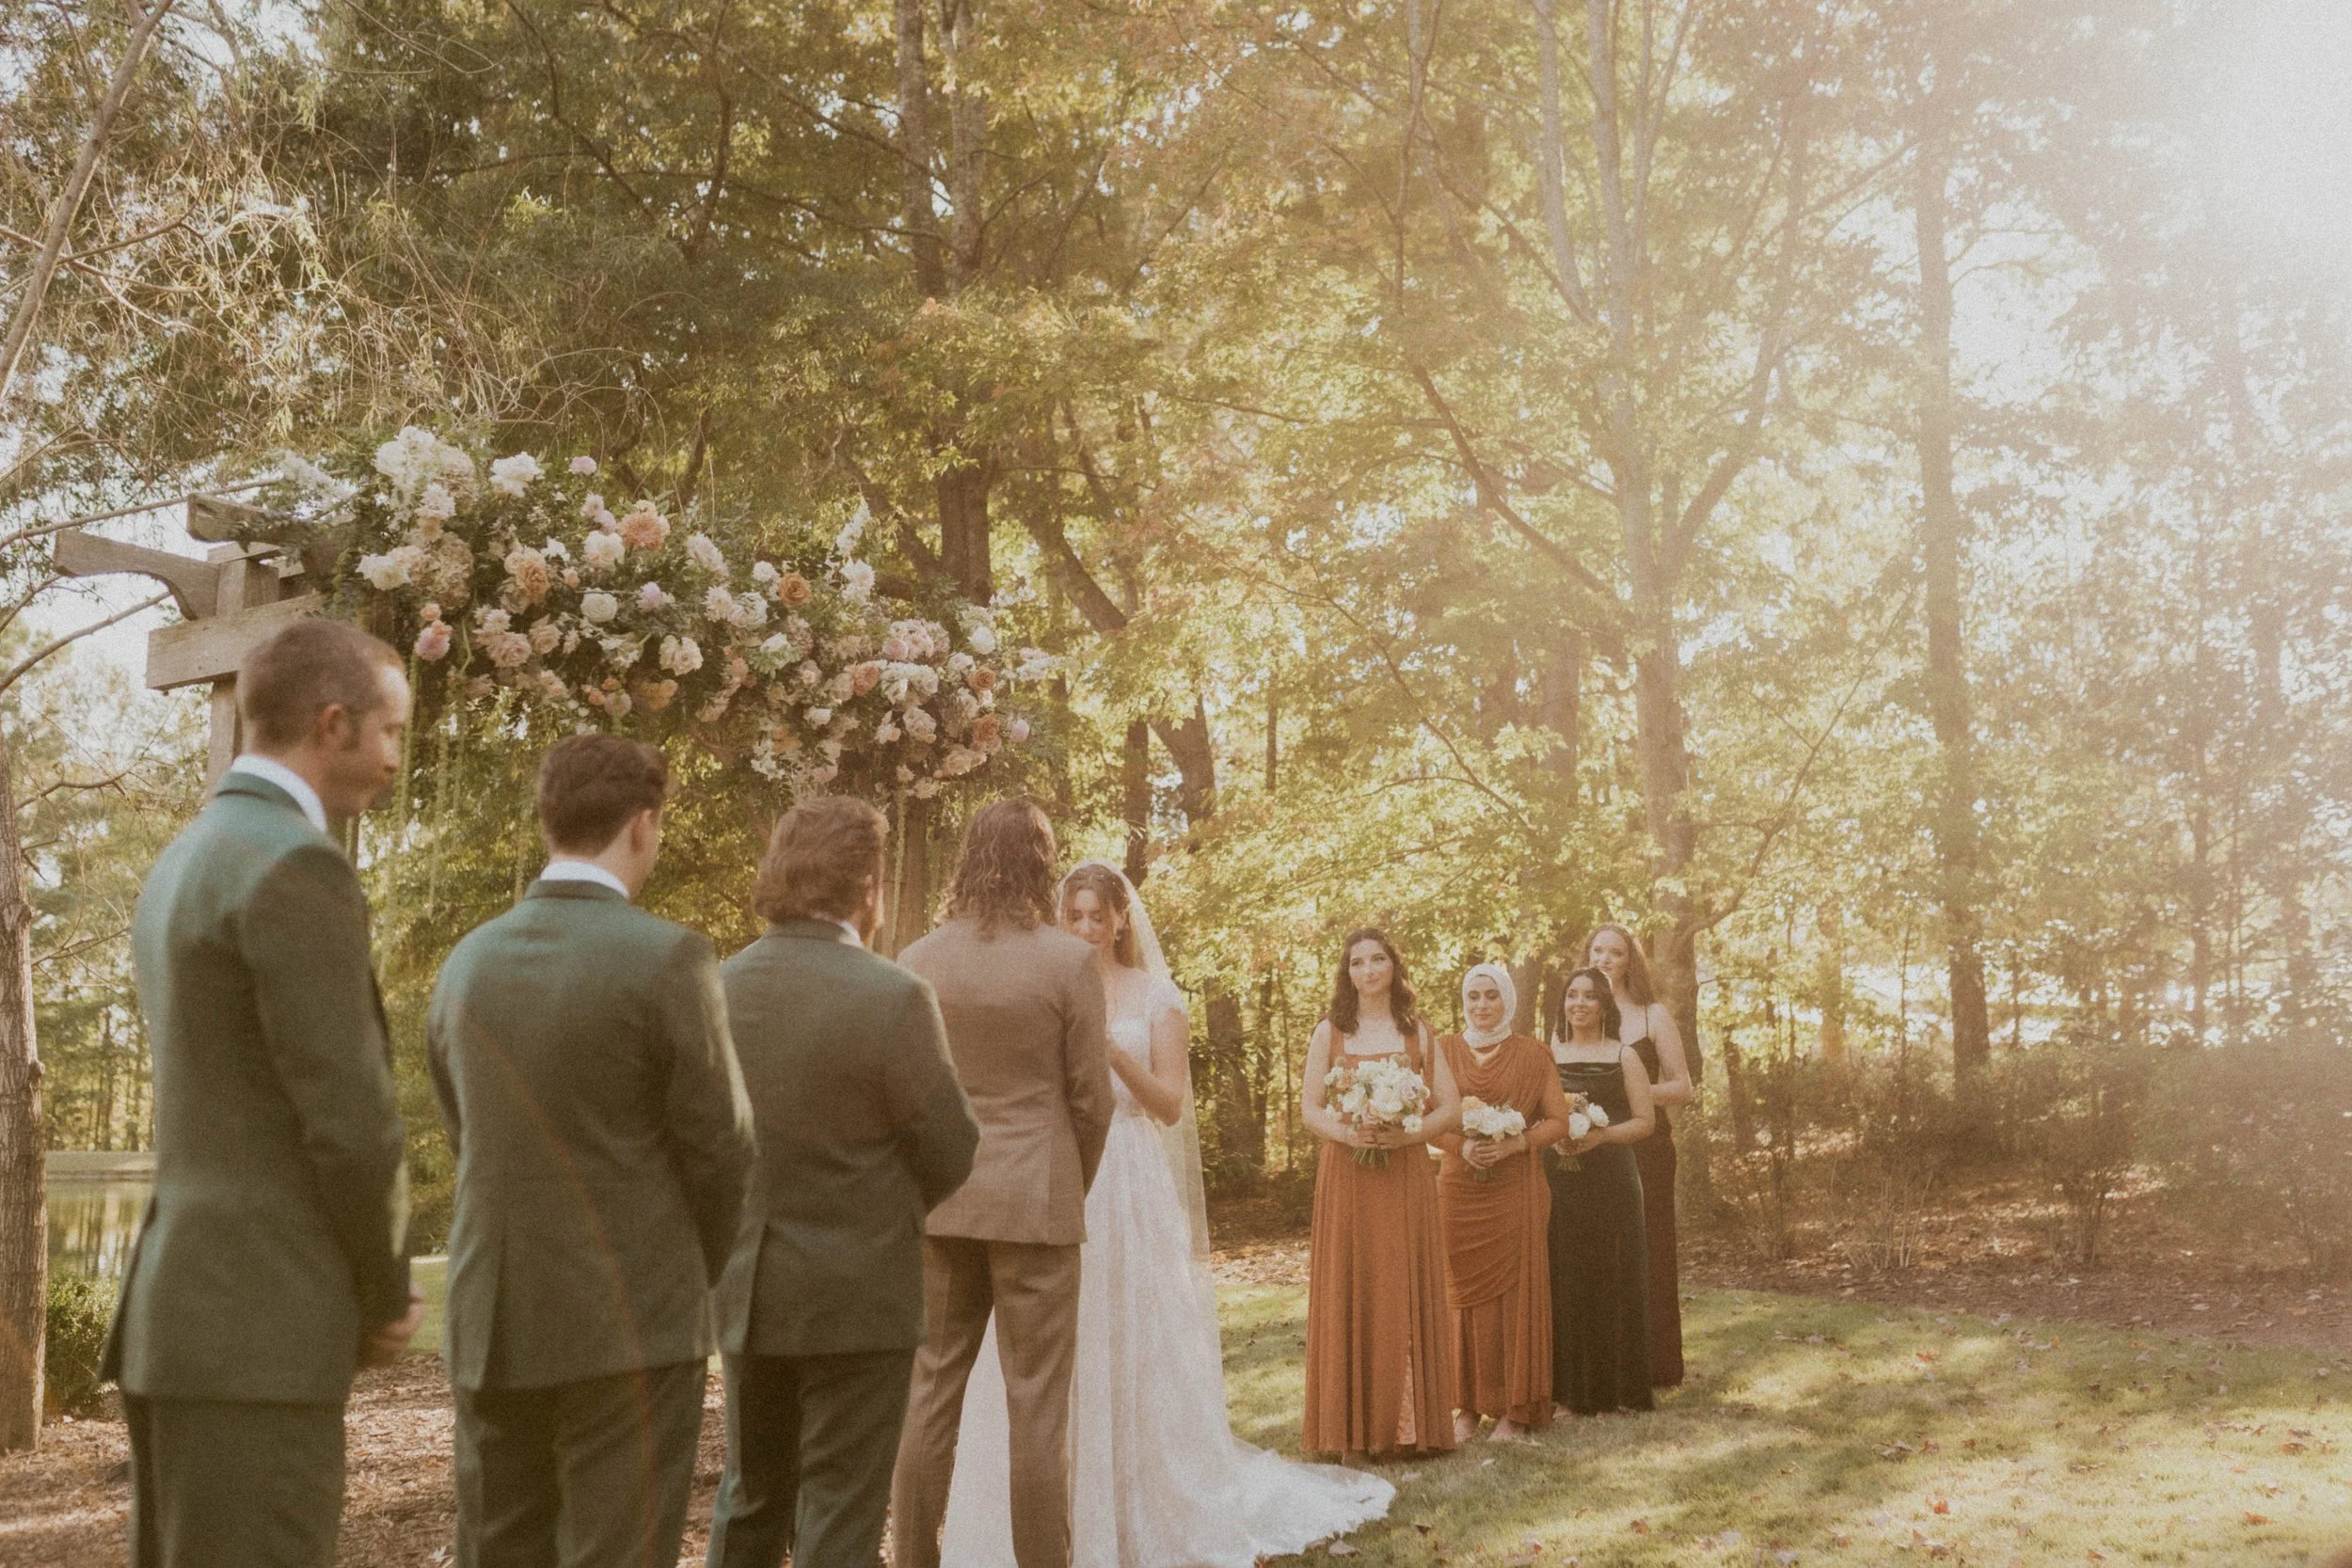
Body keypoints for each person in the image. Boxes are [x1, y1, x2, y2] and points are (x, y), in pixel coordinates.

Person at [940, 863, 1393, 1567]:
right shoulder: (1047, 984)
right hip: (1055, 1171)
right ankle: (1048, 1509)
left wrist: (1113, 1049)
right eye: (1075, 915)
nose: (1086, 927)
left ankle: (1139, 1501)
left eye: (1098, 915)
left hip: (1127, 1175)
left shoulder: (1156, 996)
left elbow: (1170, 1104)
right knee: (1056, 1337)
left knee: (1130, 1328)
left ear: (1122, 918)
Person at [105, 619, 422, 1568]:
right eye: (390, 731)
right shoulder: (298, 862)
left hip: (181, 1316)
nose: (394, 760)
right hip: (262, 1326)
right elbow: (351, 1117)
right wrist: (382, 1285)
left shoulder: (187, 857)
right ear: (333, 724)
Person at [427, 734, 755, 1567]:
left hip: (493, 1312)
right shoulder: (669, 957)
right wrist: (689, 1267)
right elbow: (723, 1150)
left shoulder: (467, 961)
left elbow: (466, 1128)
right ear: (642, 825)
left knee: (497, 1550)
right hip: (633, 1318)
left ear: (550, 821)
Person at [705, 797, 980, 1568]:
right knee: (841, 1508)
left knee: (751, 1494)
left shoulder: (715, 986)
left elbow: (694, 1144)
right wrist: (881, 1207)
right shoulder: (891, 995)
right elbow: (951, 1147)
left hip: (750, 1284)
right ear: (868, 887)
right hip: (861, 1294)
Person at [890, 800, 1115, 1568]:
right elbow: (1092, 1102)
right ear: (1040, 862)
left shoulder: (917, 959)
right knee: (1037, 1409)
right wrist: (1065, 1185)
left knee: (927, 1398)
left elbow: (905, 1097)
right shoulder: (1069, 962)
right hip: (1038, 1204)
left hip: (942, 1204)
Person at [1301, 927, 1462, 1463]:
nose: (1368, 971)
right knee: (1354, 1283)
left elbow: (1449, 1107)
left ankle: (1407, 1427)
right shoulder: (1331, 1031)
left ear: (1394, 966)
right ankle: (1350, 1431)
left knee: (1402, 1281)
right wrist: (1350, 1134)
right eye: (1357, 963)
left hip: (1404, 1173)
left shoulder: (1419, 1033)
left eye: (1377, 960)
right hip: (1347, 1174)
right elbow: (1310, 1110)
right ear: (1347, 973)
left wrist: (1406, 1134)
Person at [1434, 964, 1571, 1443]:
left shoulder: (1533, 1054)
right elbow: (1429, 1120)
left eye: (1492, 996)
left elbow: (1558, 1121)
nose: (1482, 1005)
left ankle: (1515, 1408)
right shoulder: (1444, 1050)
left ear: (1507, 1000)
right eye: (1473, 996)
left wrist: (1516, 1144)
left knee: (1516, 1297)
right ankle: (1467, 1407)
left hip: (1517, 1189)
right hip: (1458, 1190)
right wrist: (1460, 1147)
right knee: (1460, 1300)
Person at [1581, 922, 1693, 1386]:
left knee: (1648, 1248)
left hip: (1648, 1149)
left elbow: (1684, 1087)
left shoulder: (1652, 1016)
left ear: (1631, 962)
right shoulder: (1577, 1015)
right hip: (1593, 1148)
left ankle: (1655, 1364)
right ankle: (1601, 1363)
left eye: (1616, 952)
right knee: (1597, 1252)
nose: (1605, 959)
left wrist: (1634, 1091)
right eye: (1597, 951)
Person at [1544, 966, 1656, 1415]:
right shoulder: (1549, 1055)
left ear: (1605, 1005)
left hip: (1611, 1181)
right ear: (1563, 1004)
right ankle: (1569, 1392)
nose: (1579, 1004)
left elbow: (1645, 1122)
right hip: (1560, 1177)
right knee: (1565, 1277)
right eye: (1572, 996)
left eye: (1590, 996)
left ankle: (1620, 1391)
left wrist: (1602, 1136)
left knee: (1613, 1275)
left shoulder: (1624, 1055)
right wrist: (1554, 1134)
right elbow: (1538, 1114)